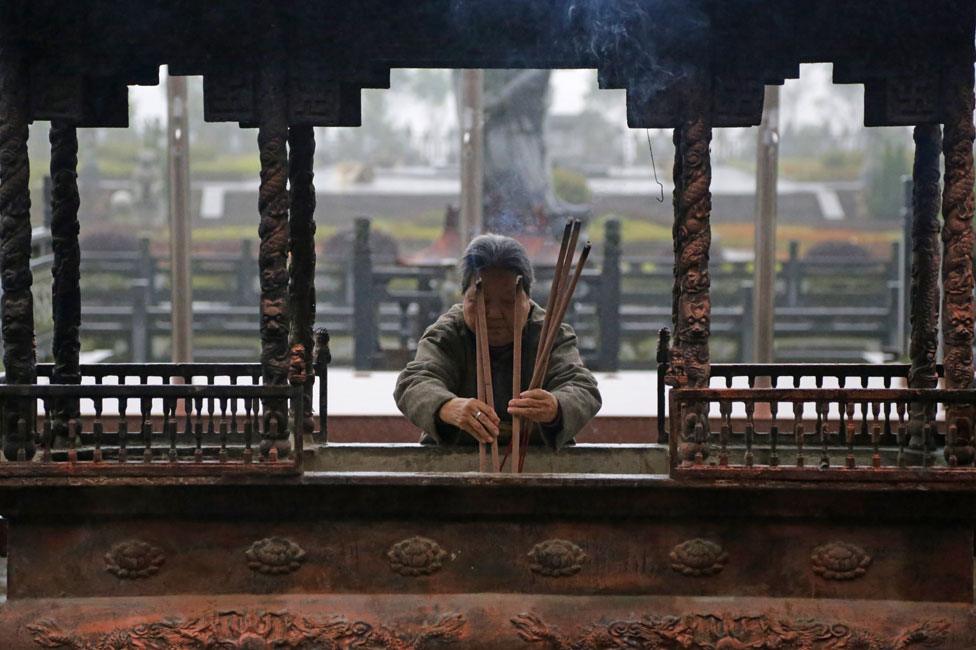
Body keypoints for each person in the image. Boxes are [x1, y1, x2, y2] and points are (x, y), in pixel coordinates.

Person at [394, 234, 601, 448]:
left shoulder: (549, 334)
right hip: (456, 463)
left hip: (537, 464)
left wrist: (556, 407)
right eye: (480, 301)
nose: (493, 314)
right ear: (463, 297)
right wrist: (447, 406)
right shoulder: (447, 333)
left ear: (527, 299)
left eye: (508, 301)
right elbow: (414, 382)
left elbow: (582, 388)